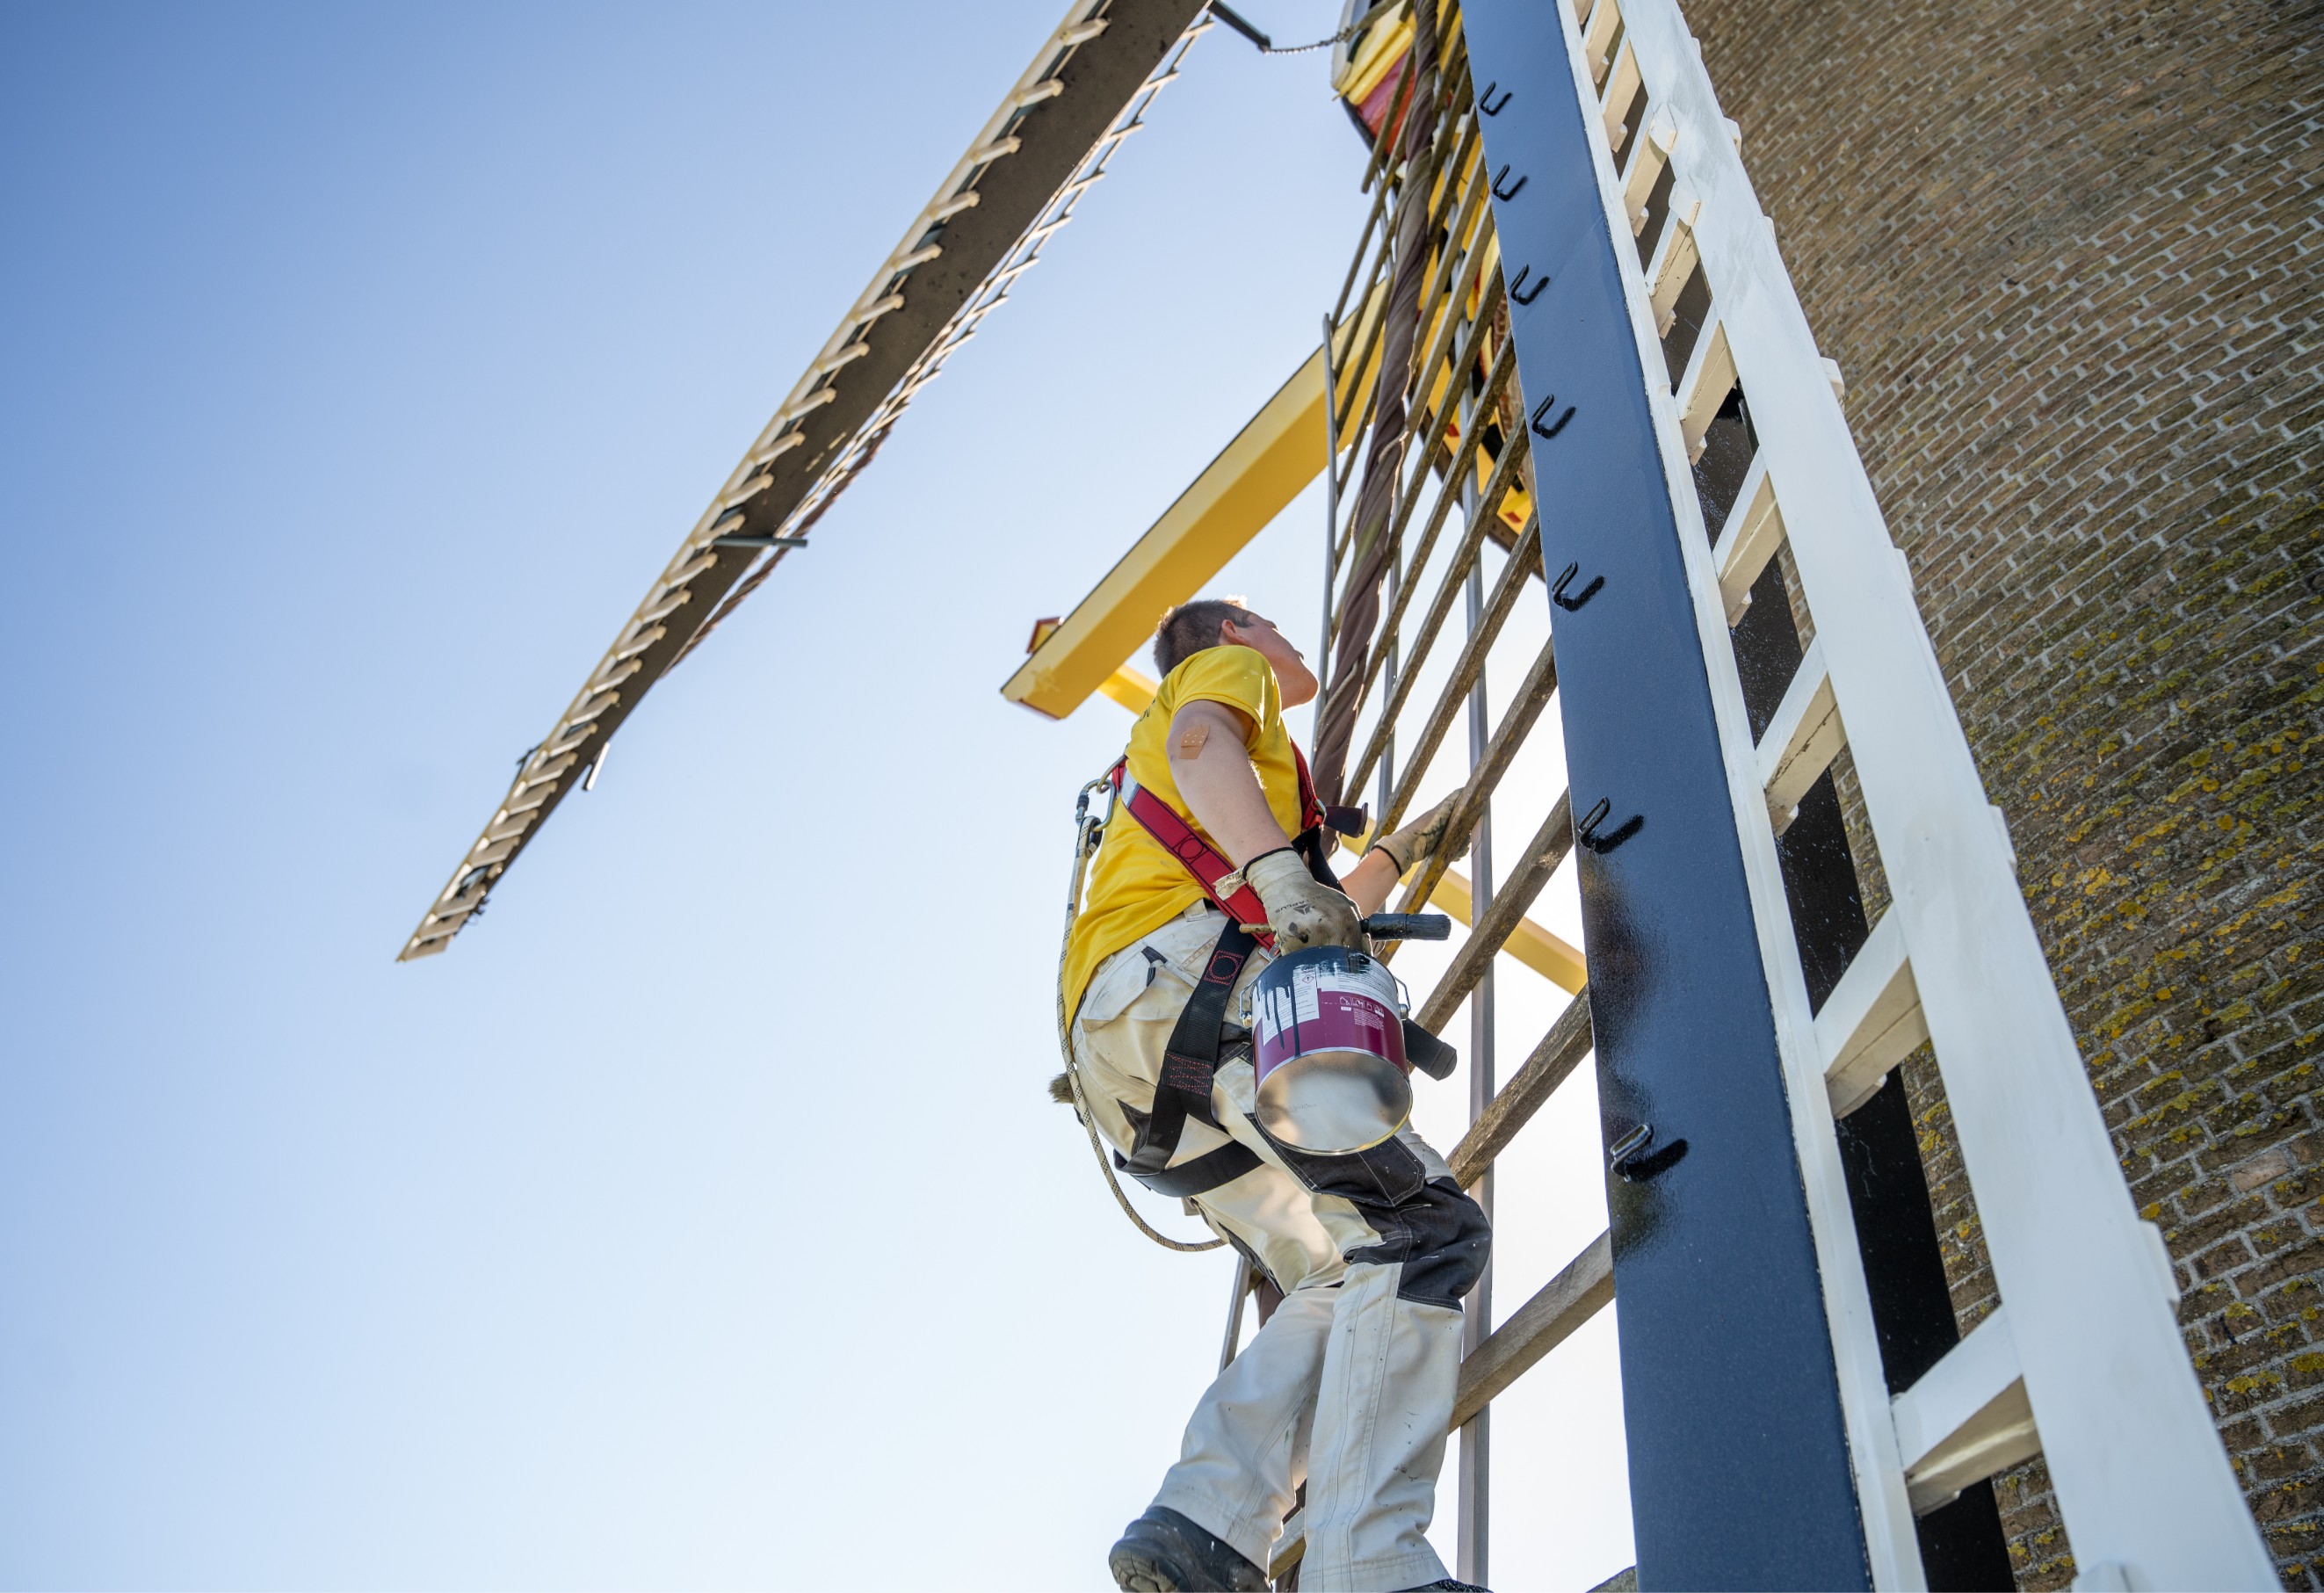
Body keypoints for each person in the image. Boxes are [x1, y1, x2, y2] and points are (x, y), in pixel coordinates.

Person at [1060, 597, 1488, 1593]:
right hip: (1191, 989)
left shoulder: (1219, 794)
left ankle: (1201, 1522)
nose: (1292, 645)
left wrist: (1399, 850)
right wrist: (1275, 874)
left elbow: (1302, 892)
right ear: (1235, 631)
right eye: (1276, 628)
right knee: (1422, 1229)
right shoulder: (1222, 682)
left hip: (1136, 1052)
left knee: (1345, 1272)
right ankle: (1368, 1562)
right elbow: (1204, 742)